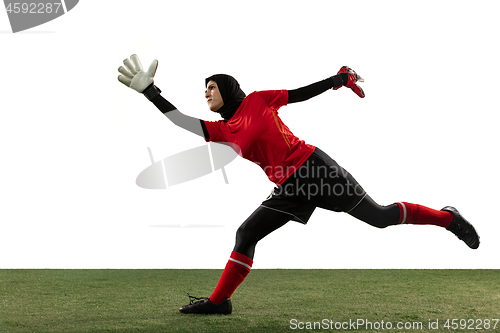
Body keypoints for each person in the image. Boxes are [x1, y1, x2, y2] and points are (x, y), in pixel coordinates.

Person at [117, 55, 480, 315]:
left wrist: (337, 80)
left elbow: (300, 93)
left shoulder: (258, 101)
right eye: (204, 90)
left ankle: (449, 218)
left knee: (381, 217)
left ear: (228, 88)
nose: (207, 93)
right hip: (288, 188)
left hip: (315, 169)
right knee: (246, 234)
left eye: (211, 87)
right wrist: (150, 91)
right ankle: (219, 302)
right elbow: (180, 120)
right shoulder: (222, 131)